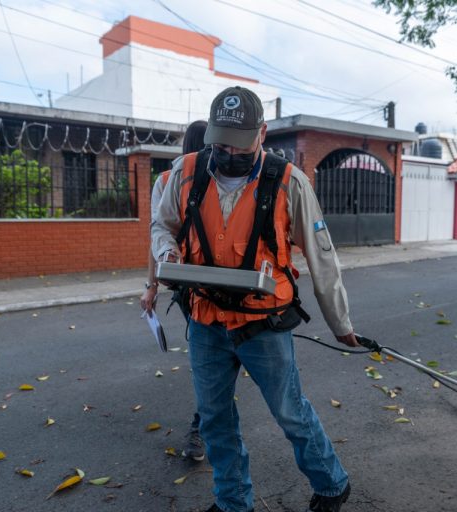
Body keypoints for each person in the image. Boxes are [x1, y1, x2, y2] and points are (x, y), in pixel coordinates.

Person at [152, 86, 358, 512]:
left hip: (262, 323)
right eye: (220, 139)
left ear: (262, 132)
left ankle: (332, 484)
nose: (227, 150)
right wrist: (165, 253)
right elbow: (161, 225)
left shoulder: (288, 182)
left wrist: (341, 324)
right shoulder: (185, 173)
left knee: (290, 413)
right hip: (206, 321)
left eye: (238, 140)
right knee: (215, 420)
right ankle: (232, 502)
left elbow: (322, 258)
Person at [141, 119, 208, 462]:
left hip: (186, 284)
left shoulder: (168, 179)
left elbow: (155, 238)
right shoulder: (171, 181)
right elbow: (158, 233)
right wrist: (152, 284)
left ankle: (206, 426)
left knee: (212, 359)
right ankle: (202, 427)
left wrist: (152, 286)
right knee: (209, 356)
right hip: (196, 285)